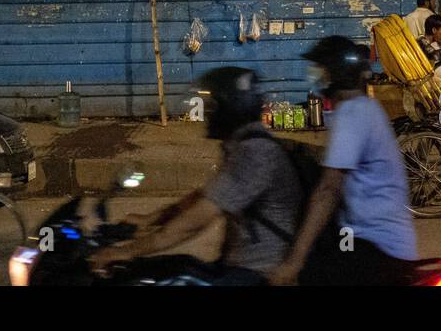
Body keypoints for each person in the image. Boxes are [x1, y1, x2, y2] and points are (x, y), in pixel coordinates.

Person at [88, 67, 303, 284]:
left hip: (260, 273)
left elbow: (197, 220)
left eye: (212, 105)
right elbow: (205, 196)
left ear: (230, 107)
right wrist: (152, 219)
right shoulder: (242, 144)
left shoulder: (255, 152)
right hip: (237, 264)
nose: (207, 113)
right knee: (158, 272)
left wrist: (127, 251)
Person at [267, 37, 419, 286]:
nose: (317, 78)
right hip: (358, 235)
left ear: (336, 73)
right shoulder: (365, 108)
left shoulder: (353, 113)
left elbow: (328, 190)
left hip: (375, 244)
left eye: (321, 71)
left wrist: (293, 262)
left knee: (311, 273)